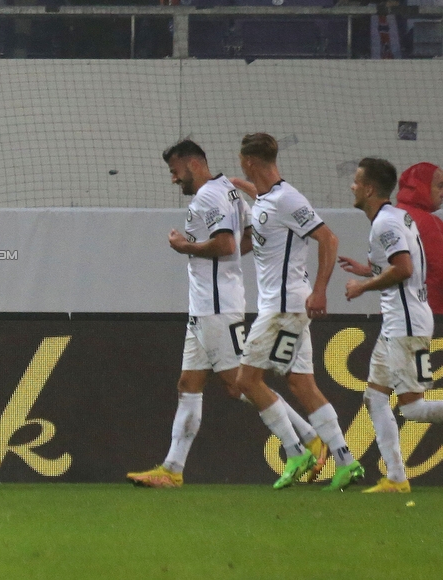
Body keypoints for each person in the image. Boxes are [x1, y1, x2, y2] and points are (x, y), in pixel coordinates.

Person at [127, 140, 326, 488]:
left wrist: (184, 246)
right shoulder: (229, 192)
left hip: (217, 308)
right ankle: (172, 469)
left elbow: (226, 244)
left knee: (243, 384)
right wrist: (227, 259)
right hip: (207, 306)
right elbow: (247, 238)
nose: (175, 180)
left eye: (175, 172)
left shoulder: (208, 197)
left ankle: (303, 445)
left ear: (192, 164)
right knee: (189, 384)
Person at [234, 132, 363, 490]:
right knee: (301, 383)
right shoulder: (271, 197)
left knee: (246, 381)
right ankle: (346, 462)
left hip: (283, 307)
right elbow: (265, 199)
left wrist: (321, 289)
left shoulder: (288, 198)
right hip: (285, 305)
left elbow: (329, 238)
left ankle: (295, 451)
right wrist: (238, 185)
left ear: (248, 160)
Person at [338, 158, 442, 493]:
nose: (352, 186)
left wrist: (361, 287)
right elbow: (396, 265)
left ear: (369, 188)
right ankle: (396, 479)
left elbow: (404, 269)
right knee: (375, 396)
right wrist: (366, 270)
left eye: (356, 181)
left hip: (407, 324)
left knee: (412, 408)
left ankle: (396, 478)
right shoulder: (397, 217)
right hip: (399, 322)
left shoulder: (385, 224)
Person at [396, 162, 443, 315]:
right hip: (430, 312)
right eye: (440, 186)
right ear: (422, 186)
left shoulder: (389, 216)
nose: (442, 193)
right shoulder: (430, 223)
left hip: (394, 313)